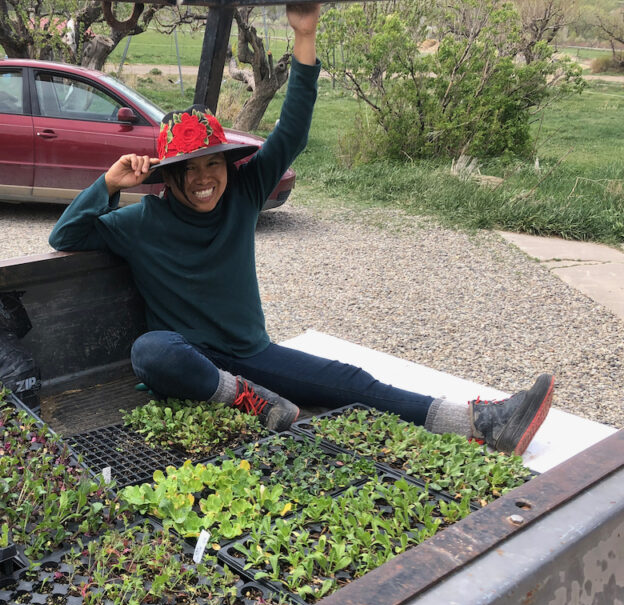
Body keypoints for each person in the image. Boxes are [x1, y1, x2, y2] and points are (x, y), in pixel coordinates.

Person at [48, 2, 554, 456]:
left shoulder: (244, 191)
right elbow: (65, 237)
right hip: (193, 364)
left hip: (253, 355)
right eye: (186, 170)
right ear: (168, 177)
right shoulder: (141, 221)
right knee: (151, 350)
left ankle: (481, 421)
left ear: (227, 164)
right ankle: (246, 401)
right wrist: (109, 183)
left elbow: (291, 131)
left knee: (350, 379)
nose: (203, 180)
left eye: (212, 165)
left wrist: (304, 37)